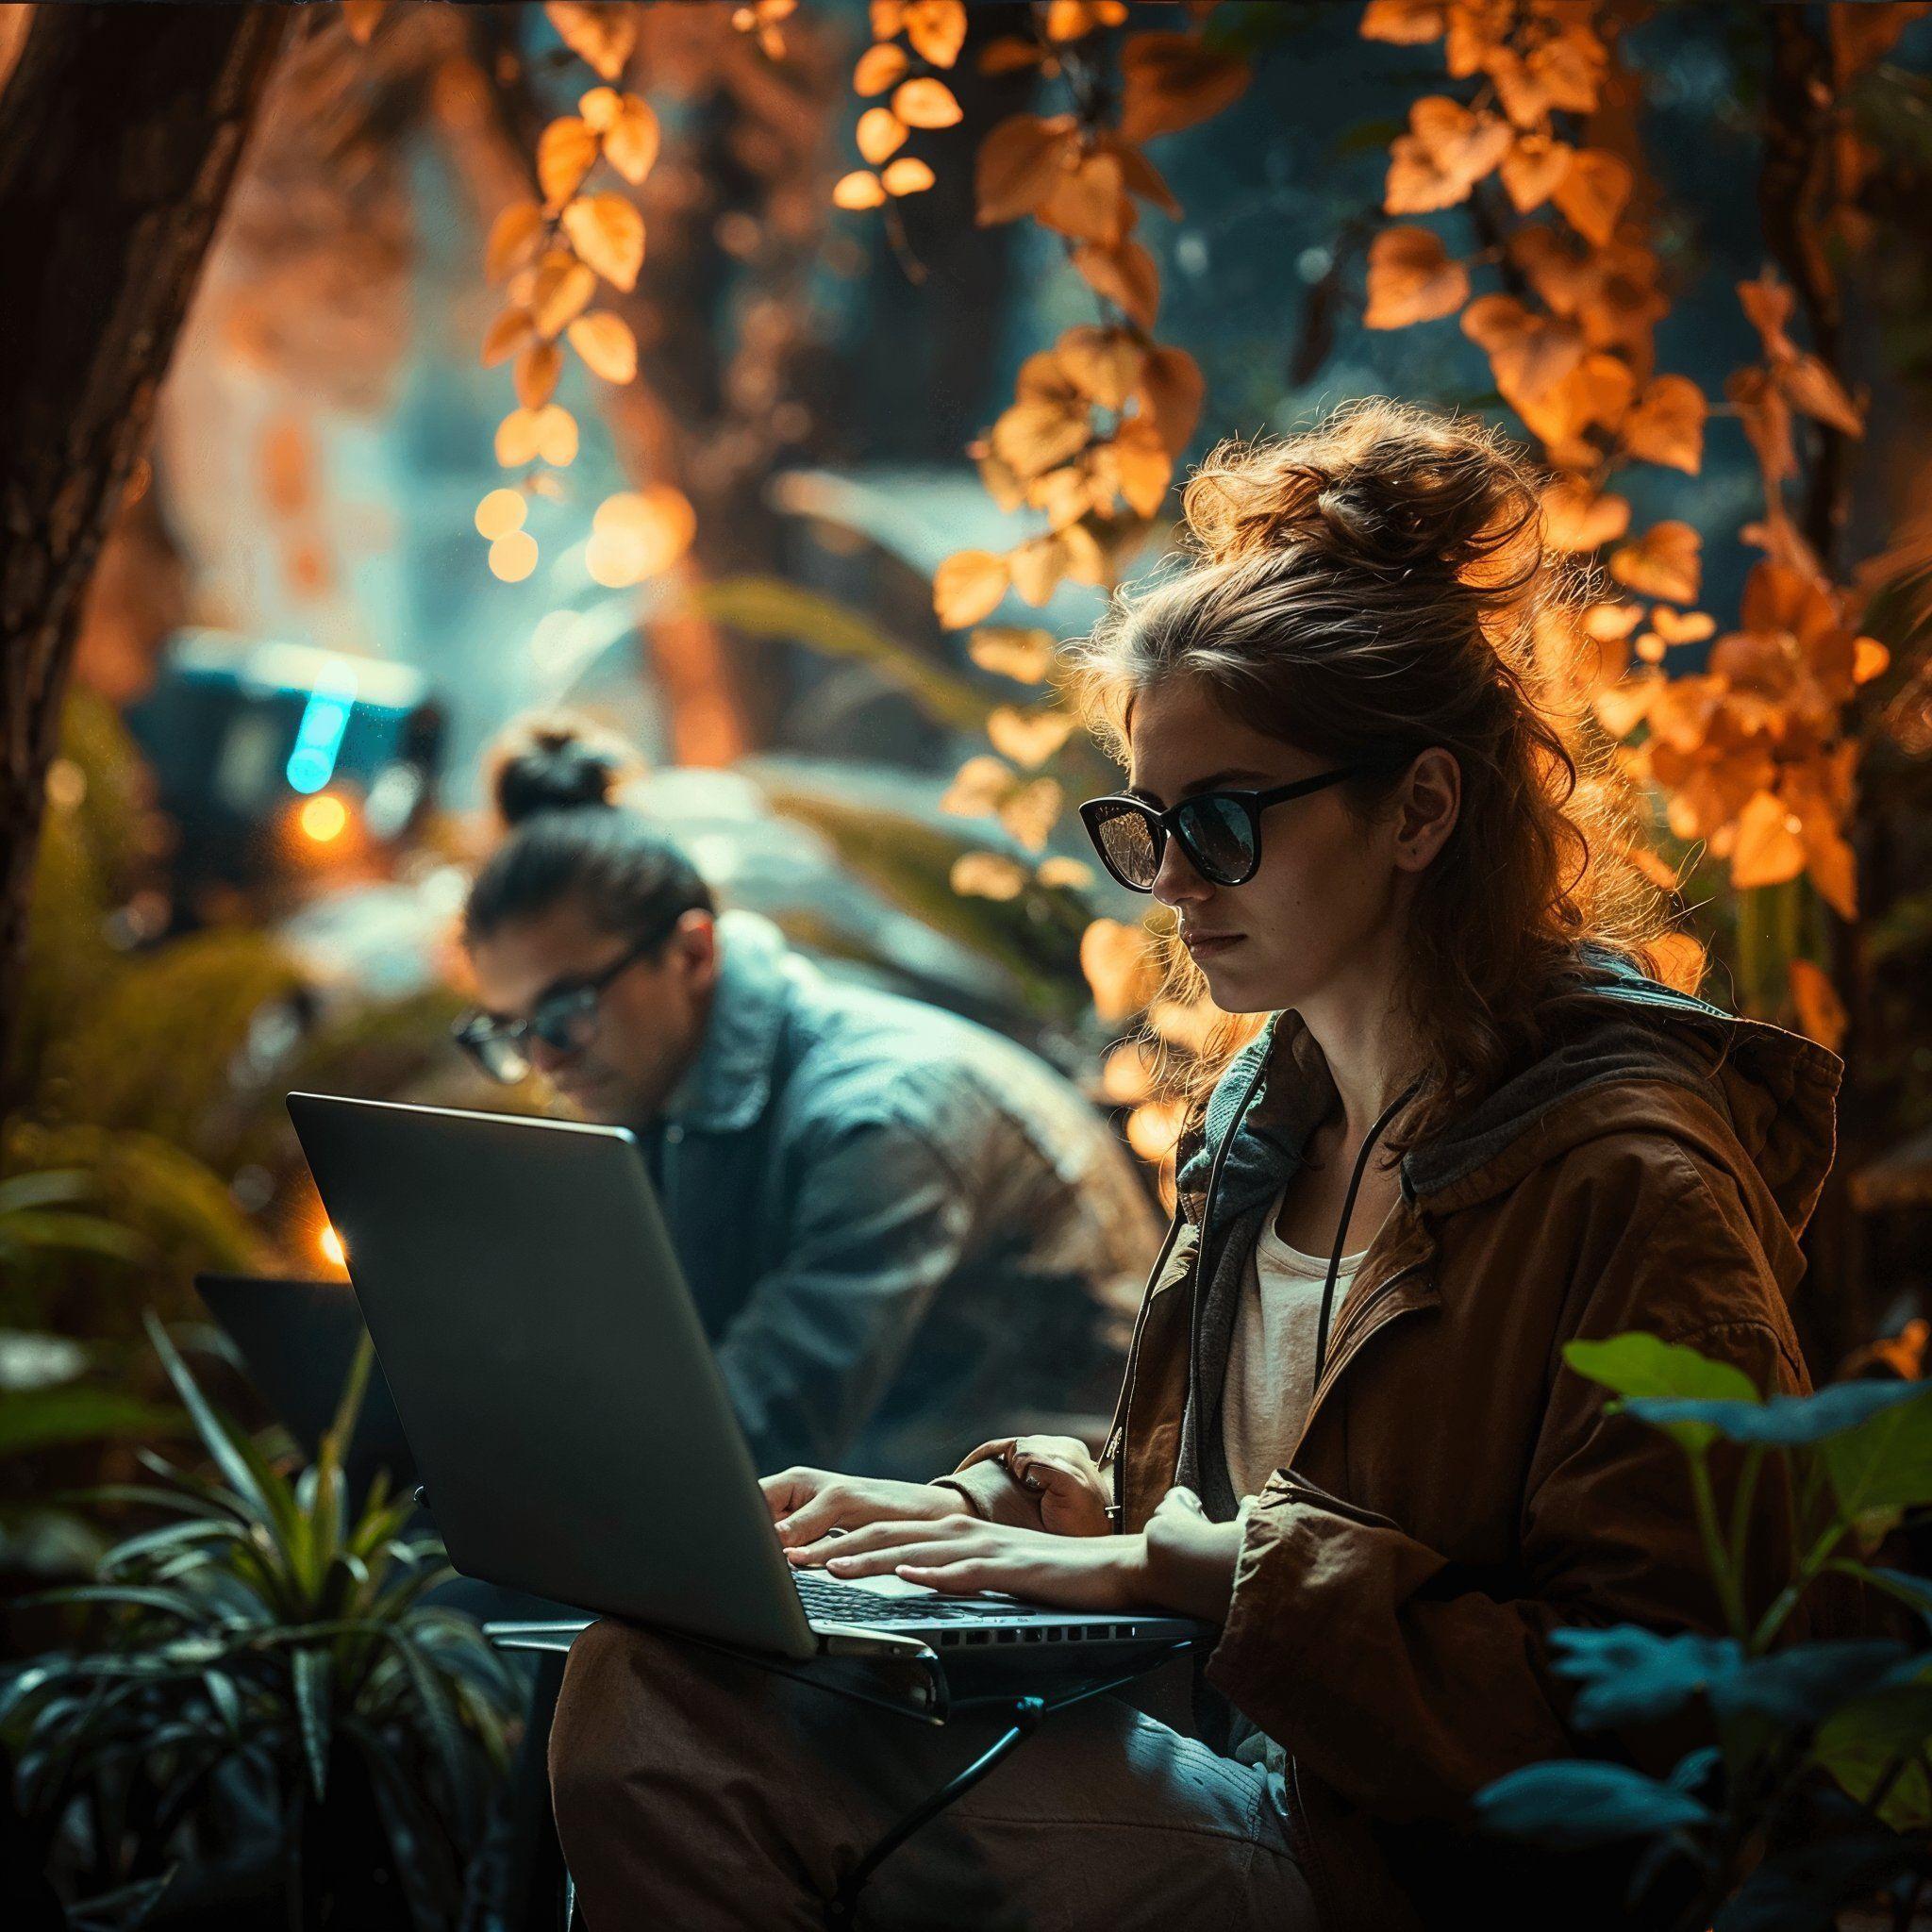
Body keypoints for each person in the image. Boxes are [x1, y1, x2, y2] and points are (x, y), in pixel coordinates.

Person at [543, 401, 1841, 1932]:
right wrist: (970, 1510)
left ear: (1418, 807)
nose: (1165, 881)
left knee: (672, 1719)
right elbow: (1210, 1501)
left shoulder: (1629, 1178)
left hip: (1414, 1880)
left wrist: (1183, 1571)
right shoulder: (1259, 1121)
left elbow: (1671, 1704)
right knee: (646, 1674)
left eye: (1219, 821)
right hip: (1255, 1799)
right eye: (1141, 822)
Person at [456, 724, 1160, 1482]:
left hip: (1046, 1546)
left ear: (693, 953)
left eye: (562, 1015)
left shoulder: (883, 1117)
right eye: (512, 1031)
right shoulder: (660, 1098)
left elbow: (750, 1437)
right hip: (894, 1525)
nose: (543, 1059)